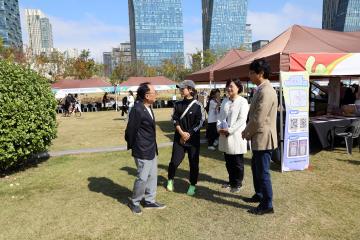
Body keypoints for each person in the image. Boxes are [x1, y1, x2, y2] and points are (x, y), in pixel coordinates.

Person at [242, 58, 277, 215]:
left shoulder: (267, 91)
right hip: (258, 137)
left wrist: (246, 132)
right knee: (256, 169)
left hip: (263, 137)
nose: (249, 76)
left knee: (263, 172)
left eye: (251, 73)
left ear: (261, 73)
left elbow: (258, 118)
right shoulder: (261, 89)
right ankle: (260, 195)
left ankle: (267, 204)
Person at [125, 82, 165, 215]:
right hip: (142, 149)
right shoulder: (137, 109)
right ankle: (134, 202)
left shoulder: (148, 107)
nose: (156, 95)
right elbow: (130, 131)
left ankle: (149, 200)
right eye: (155, 92)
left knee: (153, 176)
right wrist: (134, 146)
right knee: (142, 177)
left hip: (152, 148)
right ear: (147, 96)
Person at [166, 80, 205, 196]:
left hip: (193, 140)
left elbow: (200, 122)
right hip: (179, 139)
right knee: (174, 161)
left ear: (191, 90)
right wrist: (181, 133)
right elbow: (175, 120)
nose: (181, 90)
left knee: (193, 163)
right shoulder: (177, 104)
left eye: (183, 88)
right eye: (181, 88)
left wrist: (188, 134)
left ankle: (192, 185)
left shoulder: (198, 105)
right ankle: (170, 180)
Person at [217, 80, 249, 193]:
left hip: (236, 136)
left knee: (237, 162)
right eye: (227, 86)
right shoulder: (225, 101)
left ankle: (238, 183)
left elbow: (242, 119)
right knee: (228, 160)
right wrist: (219, 127)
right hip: (224, 135)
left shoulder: (243, 102)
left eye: (231, 86)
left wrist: (229, 130)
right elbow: (220, 117)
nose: (229, 89)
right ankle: (231, 181)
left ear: (238, 88)